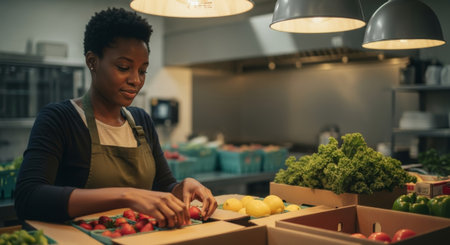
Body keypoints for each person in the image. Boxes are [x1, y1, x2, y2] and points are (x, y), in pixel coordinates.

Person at [14, 8, 217, 227]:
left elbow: (163, 186)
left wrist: (182, 187)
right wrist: (126, 196)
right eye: (124, 67)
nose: (136, 80)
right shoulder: (59, 119)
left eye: (142, 70)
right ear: (92, 61)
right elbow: (29, 197)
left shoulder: (141, 121)